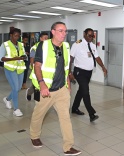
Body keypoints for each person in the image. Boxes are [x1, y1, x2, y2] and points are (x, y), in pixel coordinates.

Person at [29, 22, 81, 155]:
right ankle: (34, 136)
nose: (64, 34)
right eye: (60, 31)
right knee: (38, 115)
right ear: (52, 32)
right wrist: (41, 84)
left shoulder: (66, 46)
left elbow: (66, 66)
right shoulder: (43, 46)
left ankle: (68, 146)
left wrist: (68, 82)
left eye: (65, 31)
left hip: (61, 89)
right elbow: (37, 66)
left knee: (65, 117)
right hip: (46, 90)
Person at [69, 28, 107, 122]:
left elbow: (97, 57)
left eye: (92, 36)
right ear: (84, 34)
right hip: (79, 72)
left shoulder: (93, 46)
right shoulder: (77, 45)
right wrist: (69, 72)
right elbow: (71, 59)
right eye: (89, 35)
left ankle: (74, 108)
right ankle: (91, 114)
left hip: (88, 73)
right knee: (86, 91)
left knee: (81, 90)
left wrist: (103, 67)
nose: (91, 37)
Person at [0, 28, 26, 117]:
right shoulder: (5, 45)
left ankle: (7, 99)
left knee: (18, 89)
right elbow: (0, 58)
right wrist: (15, 58)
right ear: (11, 35)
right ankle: (16, 109)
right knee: (15, 88)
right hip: (10, 69)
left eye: (18, 36)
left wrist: (24, 57)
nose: (17, 37)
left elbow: (23, 54)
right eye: (15, 35)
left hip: (20, 69)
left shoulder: (21, 44)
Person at [25, 32, 49, 101]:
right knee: (36, 86)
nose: (46, 40)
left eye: (47, 38)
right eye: (45, 38)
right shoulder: (35, 47)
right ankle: (30, 94)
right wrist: (35, 69)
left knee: (39, 85)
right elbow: (32, 60)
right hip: (37, 71)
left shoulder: (49, 47)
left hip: (46, 71)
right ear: (41, 39)